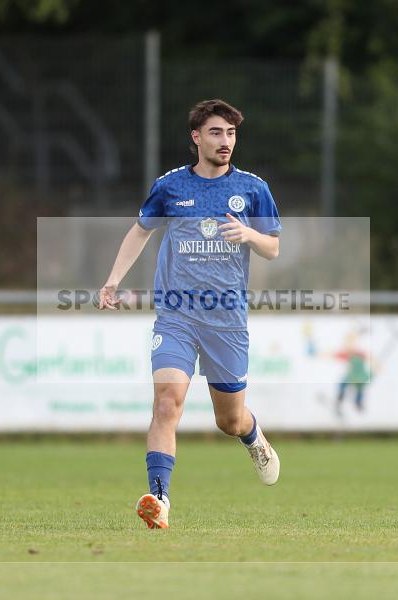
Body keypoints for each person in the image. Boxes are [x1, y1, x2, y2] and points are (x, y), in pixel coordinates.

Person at [98, 99, 281, 529]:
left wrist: (251, 234)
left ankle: (253, 437)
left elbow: (273, 247)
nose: (226, 142)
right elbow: (140, 230)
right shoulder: (171, 186)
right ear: (196, 137)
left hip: (226, 320)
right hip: (176, 316)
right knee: (166, 404)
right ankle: (159, 500)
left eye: (231, 134)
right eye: (217, 133)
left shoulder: (254, 188)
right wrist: (113, 279)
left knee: (229, 420)